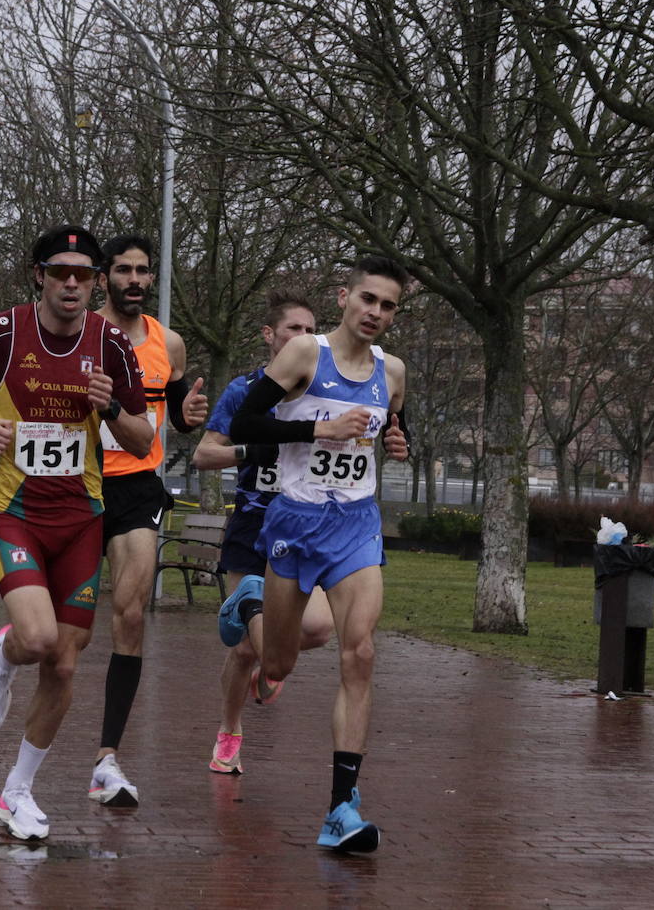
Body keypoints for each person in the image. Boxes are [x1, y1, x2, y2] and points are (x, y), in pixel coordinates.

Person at [0, 225, 152, 841]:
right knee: (35, 637)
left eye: (85, 274)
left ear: (97, 281)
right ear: (39, 276)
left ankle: (17, 792)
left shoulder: (110, 344)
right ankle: (0, 654)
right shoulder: (0, 334)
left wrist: (109, 408)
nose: (73, 284)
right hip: (15, 509)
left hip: (82, 517)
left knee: (64, 663)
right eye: (61, 273)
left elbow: (144, 440)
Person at [228, 255, 411, 853]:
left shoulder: (395, 372)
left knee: (359, 651)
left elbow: (392, 423)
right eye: (368, 299)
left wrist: (398, 438)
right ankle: (250, 605)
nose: (375, 313)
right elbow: (248, 423)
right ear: (344, 297)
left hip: (357, 524)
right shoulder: (307, 354)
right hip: (295, 521)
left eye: (387, 305)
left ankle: (341, 810)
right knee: (277, 668)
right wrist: (318, 431)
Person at [87, 234, 209, 808]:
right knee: (65, 631)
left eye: (143, 271)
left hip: (138, 484)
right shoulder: (81, 335)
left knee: (130, 611)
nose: (135, 280)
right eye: (124, 271)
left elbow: (177, 418)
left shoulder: (170, 343)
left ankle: (108, 757)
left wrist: (186, 414)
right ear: (104, 277)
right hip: (78, 482)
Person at [191, 290, 336, 775]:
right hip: (252, 524)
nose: (304, 338)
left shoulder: (327, 393)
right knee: (245, 647)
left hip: (305, 524)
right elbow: (204, 455)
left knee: (310, 631)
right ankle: (230, 729)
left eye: (311, 330)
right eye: (294, 329)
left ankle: (274, 662)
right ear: (270, 336)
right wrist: (252, 452)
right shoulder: (243, 390)